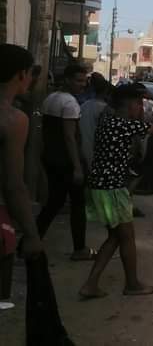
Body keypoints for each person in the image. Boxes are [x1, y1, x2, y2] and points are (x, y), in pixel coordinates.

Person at [0, 45, 75, 341]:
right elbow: (13, 184)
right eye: (31, 74)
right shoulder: (13, 119)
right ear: (21, 74)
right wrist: (31, 235)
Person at [79, 84, 153, 299]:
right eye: (139, 104)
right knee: (126, 237)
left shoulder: (108, 120)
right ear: (130, 105)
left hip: (100, 185)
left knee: (115, 237)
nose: (141, 108)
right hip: (113, 187)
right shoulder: (124, 125)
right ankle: (132, 284)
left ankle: (91, 284)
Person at [36, 64, 96, 261]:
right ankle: (79, 249)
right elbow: (70, 137)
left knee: (54, 202)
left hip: (51, 158)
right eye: (78, 80)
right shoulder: (70, 103)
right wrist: (77, 167)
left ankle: (29, 241)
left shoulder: (50, 99)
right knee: (77, 204)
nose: (83, 84)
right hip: (66, 161)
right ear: (67, 80)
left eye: (84, 80)